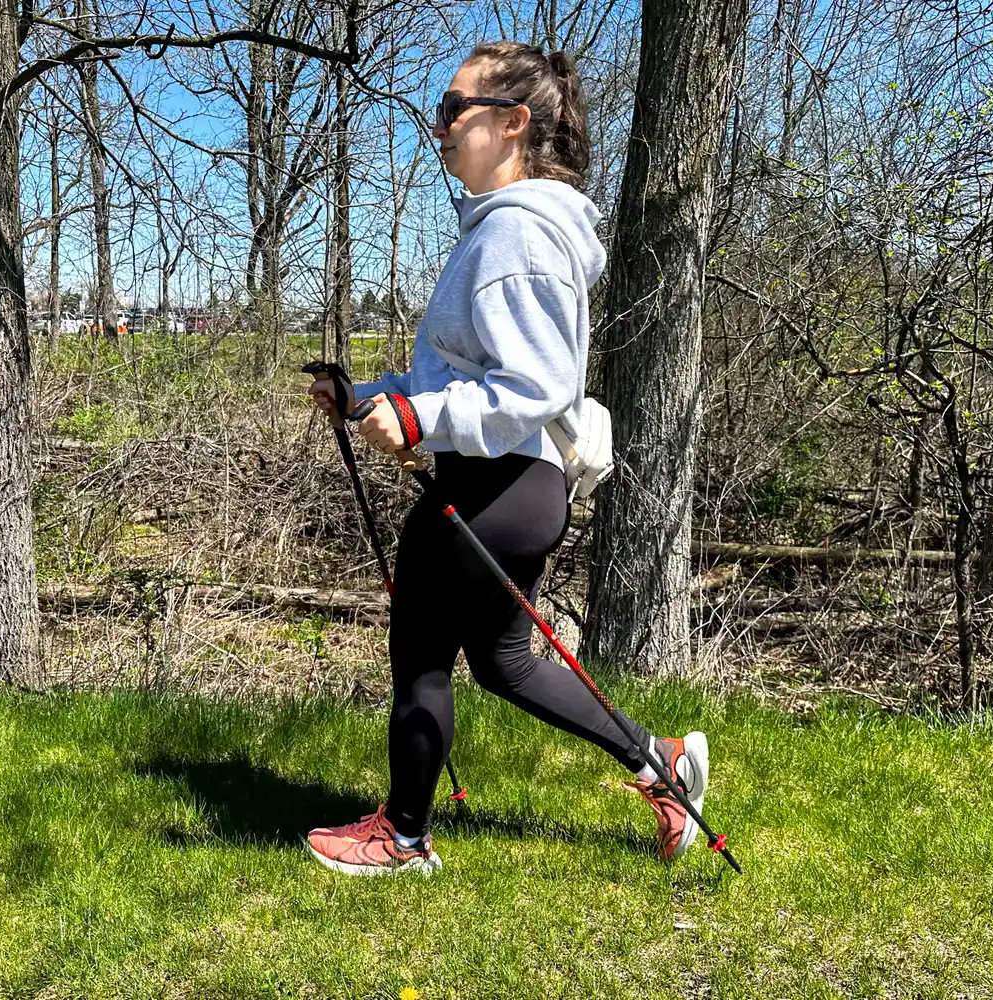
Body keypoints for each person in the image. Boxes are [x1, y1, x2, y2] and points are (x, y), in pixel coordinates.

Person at [303, 41, 711, 876]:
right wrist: (372, 399)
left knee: (421, 653)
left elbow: (535, 385)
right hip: (517, 484)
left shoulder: (517, 236)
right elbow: (459, 377)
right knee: (504, 660)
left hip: (497, 484)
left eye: (455, 109)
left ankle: (404, 838)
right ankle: (662, 764)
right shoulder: (506, 231)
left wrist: (420, 420)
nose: (440, 125)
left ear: (514, 124)